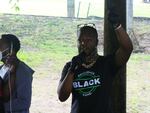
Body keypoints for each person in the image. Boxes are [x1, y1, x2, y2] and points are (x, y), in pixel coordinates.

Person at [57, 10, 133, 113]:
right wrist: (71, 71)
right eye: (81, 40)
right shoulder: (70, 66)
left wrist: (117, 26)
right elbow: (62, 97)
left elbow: (127, 49)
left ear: (96, 42)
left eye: (88, 40)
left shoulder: (106, 63)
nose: (84, 43)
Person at [0, 34, 34, 113]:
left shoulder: (23, 71)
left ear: (10, 51)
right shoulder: (2, 68)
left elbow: (24, 102)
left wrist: (2, 107)